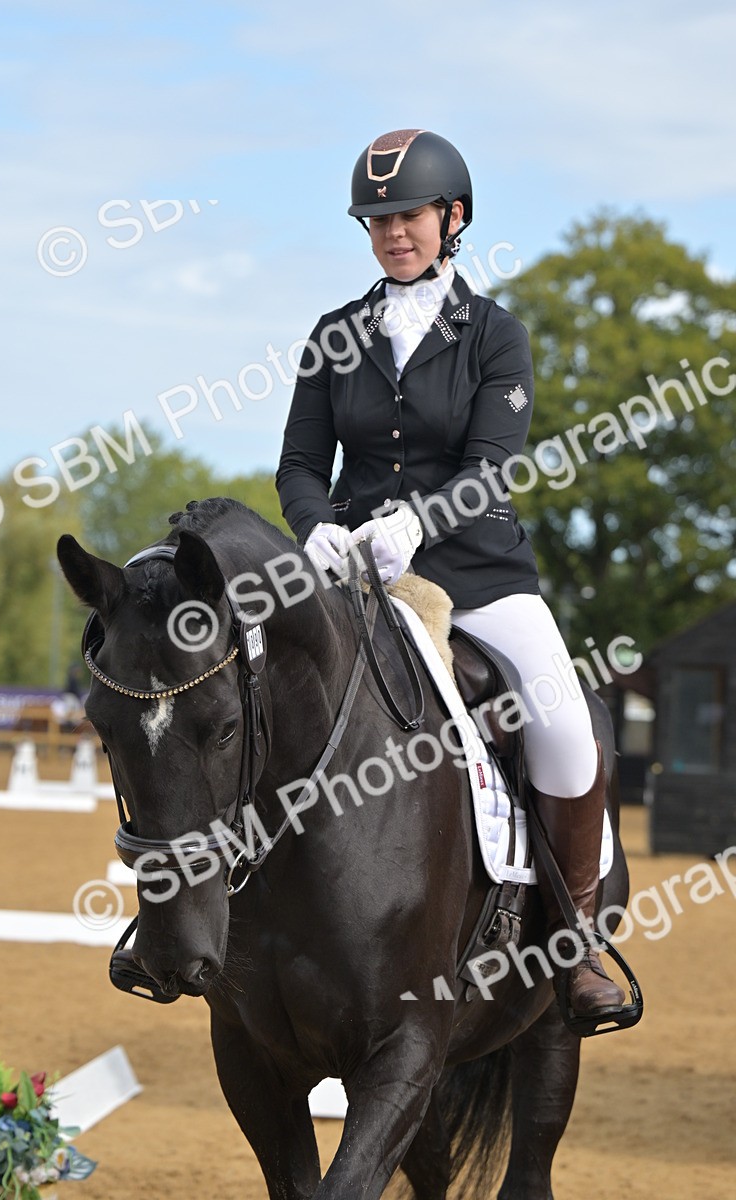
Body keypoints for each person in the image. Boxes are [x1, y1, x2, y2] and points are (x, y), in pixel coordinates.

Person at [275, 128, 626, 1020]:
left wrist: (417, 522)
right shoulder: (333, 335)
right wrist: (317, 530)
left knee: (563, 725)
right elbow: (300, 466)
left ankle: (575, 946)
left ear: (452, 217)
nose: (394, 232)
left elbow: (494, 467)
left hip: (479, 574)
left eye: (410, 215)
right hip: (358, 577)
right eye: (377, 219)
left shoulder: (496, 336)